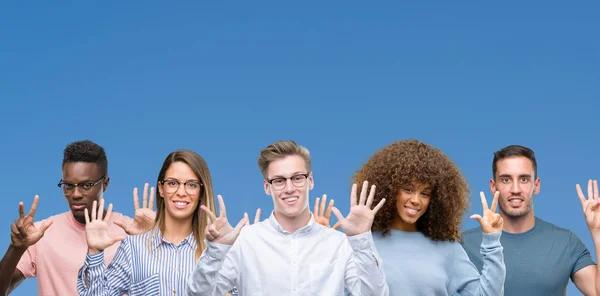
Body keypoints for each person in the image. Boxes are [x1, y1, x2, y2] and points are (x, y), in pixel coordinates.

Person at [186, 140, 389, 296]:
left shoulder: (339, 244)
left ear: (310, 181)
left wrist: (362, 239)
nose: (289, 188)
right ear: (267, 187)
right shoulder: (245, 241)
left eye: (297, 178)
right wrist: (215, 252)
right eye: (279, 180)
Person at [346, 139, 506, 295]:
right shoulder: (361, 243)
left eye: (424, 193)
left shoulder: (449, 249)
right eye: (408, 189)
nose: (416, 200)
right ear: (390, 190)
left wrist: (492, 241)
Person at [0, 140, 154, 296]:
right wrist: (16, 248)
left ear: (105, 184)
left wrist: (152, 244)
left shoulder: (132, 233)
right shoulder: (39, 234)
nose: (75, 195)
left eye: (86, 185)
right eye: (68, 185)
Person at [76, 149, 222, 295]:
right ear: (161, 188)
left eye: (191, 185)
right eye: (172, 183)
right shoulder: (133, 248)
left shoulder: (217, 250)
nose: (181, 192)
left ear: (201, 191)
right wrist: (95, 253)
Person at [461, 145, 600, 296]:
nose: (515, 189)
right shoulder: (464, 245)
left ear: (536, 185)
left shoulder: (566, 242)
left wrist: (598, 233)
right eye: (506, 179)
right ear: (493, 186)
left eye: (524, 179)